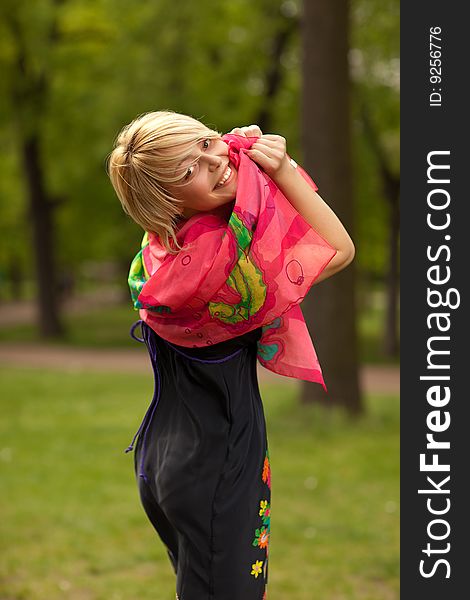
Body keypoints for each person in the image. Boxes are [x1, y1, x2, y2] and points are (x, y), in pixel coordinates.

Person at [107, 110, 354, 600]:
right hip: (217, 469)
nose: (216, 160)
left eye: (204, 143)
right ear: (165, 202)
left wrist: (244, 167)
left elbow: (245, 212)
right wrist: (281, 171)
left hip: (168, 459)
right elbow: (336, 248)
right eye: (187, 171)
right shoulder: (227, 276)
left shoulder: (164, 251)